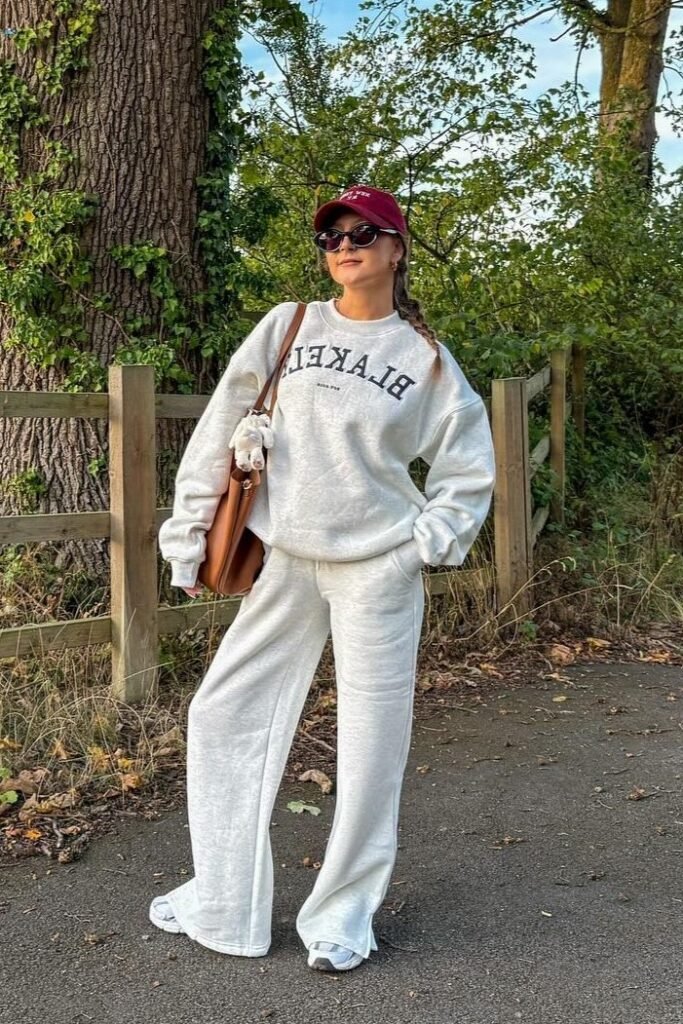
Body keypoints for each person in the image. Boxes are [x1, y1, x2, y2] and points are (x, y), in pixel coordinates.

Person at [149, 183, 496, 972]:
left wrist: (423, 546)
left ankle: (342, 915)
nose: (344, 245)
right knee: (221, 714)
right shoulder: (288, 324)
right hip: (285, 559)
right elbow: (216, 435)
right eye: (332, 235)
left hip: (377, 568)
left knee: (371, 746)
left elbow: (466, 470)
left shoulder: (427, 360)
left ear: (397, 249)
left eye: (364, 233)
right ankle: (224, 901)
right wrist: (188, 534)